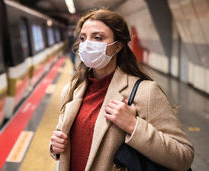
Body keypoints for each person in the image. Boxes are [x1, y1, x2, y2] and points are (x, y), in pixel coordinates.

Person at [49, 9, 193, 171]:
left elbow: (184, 156)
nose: (87, 44)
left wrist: (133, 126)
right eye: (83, 38)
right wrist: (55, 147)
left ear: (117, 46)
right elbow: (63, 140)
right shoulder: (72, 90)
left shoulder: (145, 92)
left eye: (98, 37)